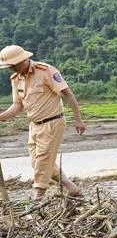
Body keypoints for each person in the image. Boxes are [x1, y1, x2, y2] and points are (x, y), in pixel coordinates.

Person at [0, 45, 86, 200]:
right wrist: (1, 116)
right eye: (9, 67)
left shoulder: (45, 71)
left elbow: (68, 93)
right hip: (34, 126)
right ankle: (72, 188)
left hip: (52, 123)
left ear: (24, 59)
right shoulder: (15, 79)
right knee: (36, 162)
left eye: (13, 65)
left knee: (42, 164)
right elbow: (17, 106)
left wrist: (78, 119)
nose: (11, 69)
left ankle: (37, 199)